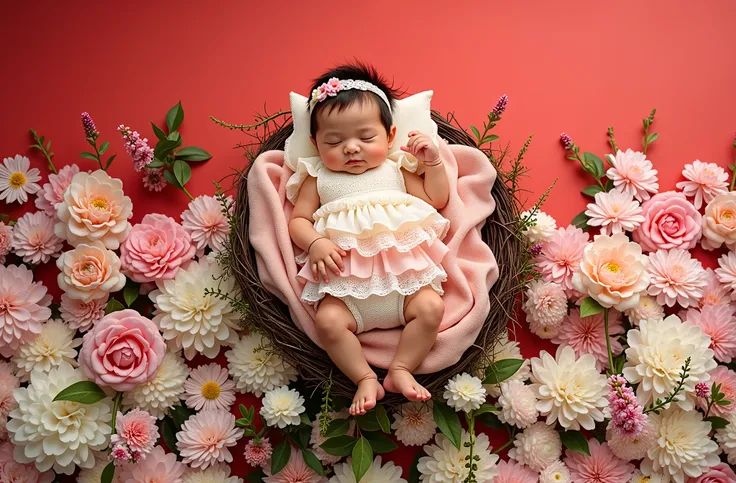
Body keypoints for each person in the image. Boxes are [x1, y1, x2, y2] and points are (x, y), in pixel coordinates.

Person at [287, 62, 450, 415]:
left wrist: (433, 163)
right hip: (346, 292)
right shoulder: (317, 177)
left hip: (405, 285)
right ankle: (364, 376)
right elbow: (298, 220)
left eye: (365, 137)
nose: (351, 148)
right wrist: (315, 242)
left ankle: (401, 368)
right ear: (315, 143)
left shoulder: (396, 168)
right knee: (328, 323)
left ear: (390, 136)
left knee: (432, 308)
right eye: (334, 140)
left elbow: (436, 200)